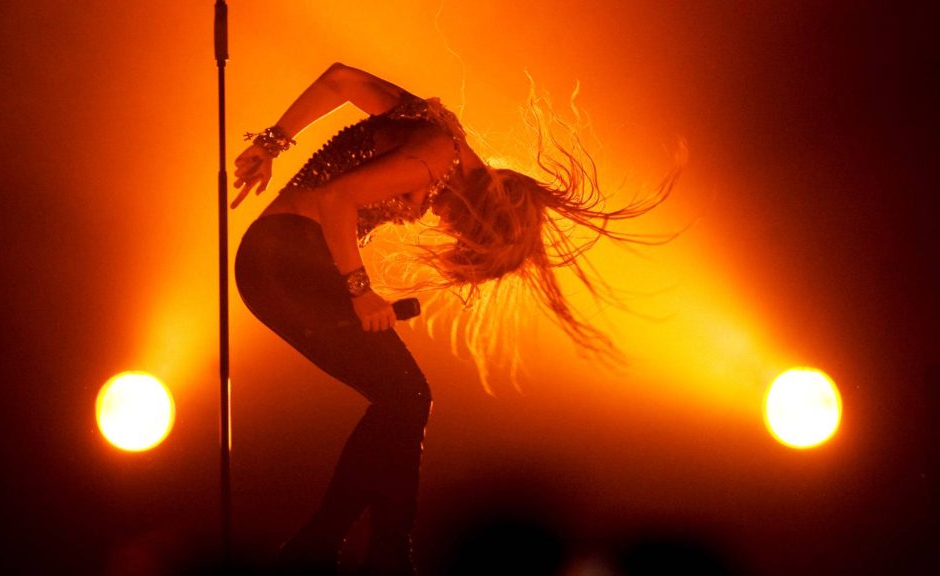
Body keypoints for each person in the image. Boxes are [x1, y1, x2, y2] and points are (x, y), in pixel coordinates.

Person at [232, 62, 678, 575]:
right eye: (465, 233)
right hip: (284, 262)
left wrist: (271, 143)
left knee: (405, 398)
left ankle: (373, 550)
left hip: (285, 259)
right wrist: (359, 290)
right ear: (480, 212)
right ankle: (347, 549)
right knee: (407, 396)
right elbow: (336, 198)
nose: (446, 225)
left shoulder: (439, 134)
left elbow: (341, 81)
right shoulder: (434, 154)